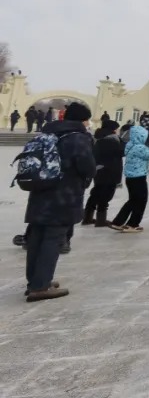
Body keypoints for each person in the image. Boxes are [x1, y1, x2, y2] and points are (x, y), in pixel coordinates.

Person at [24, 102, 96, 301]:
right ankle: (40, 287)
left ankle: (35, 281)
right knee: (53, 240)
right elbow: (87, 167)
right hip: (64, 196)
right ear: (83, 119)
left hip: (40, 193)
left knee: (37, 238)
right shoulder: (79, 138)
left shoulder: (47, 134)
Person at [110, 124, 149, 233]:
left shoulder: (131, 144)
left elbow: (147, 150)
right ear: (140, 136)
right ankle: (133, 224)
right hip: (138, 178)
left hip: (131, 178)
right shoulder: (139, 148)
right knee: (141, 201)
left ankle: (118, 222)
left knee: (133, 201)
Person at [83, 119, 125, 227]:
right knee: (105, 195)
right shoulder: (110, 140)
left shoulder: (100, 137)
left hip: (99, 170)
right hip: (109, 171)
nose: (117, 130)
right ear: (112, 129)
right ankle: (100, 220)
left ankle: (87, 217)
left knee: (96, 193)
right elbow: (121, 152)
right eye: (116, 128)